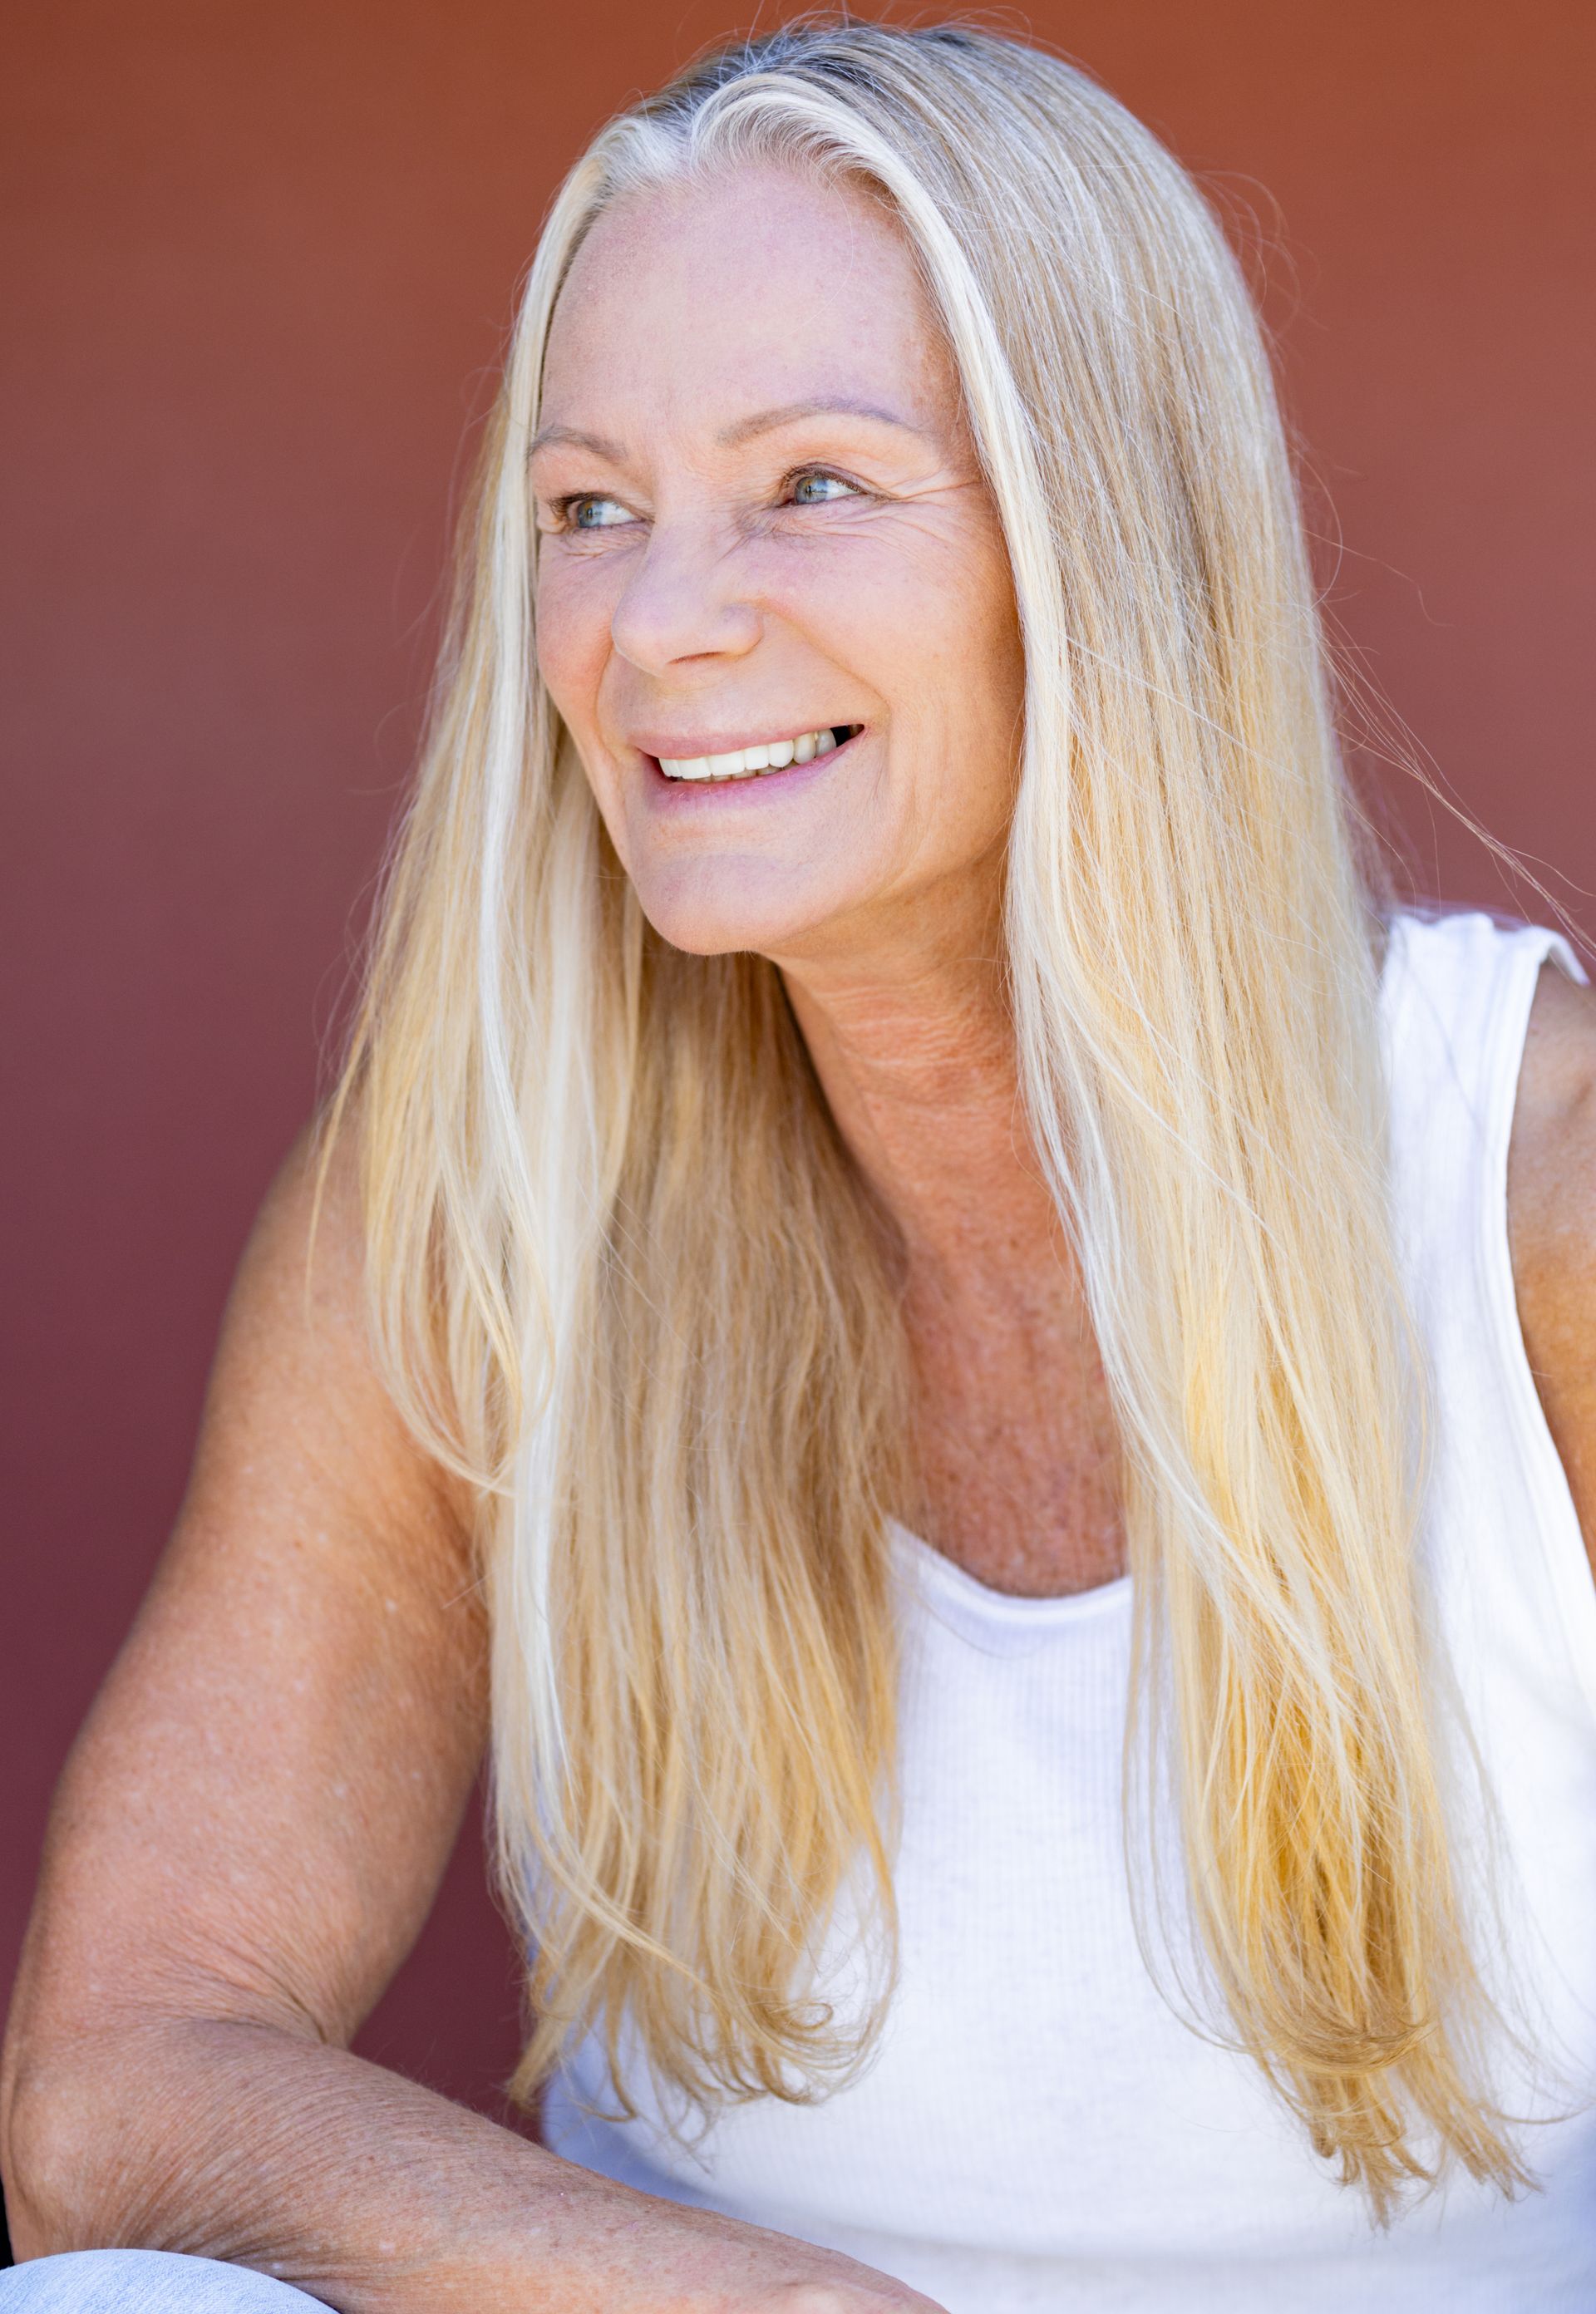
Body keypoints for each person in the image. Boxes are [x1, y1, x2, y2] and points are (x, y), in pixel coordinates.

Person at [3, 18, 1594, 2312]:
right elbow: (114, 2084)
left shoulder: (1529, 1200)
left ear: (1102, 543)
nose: (659, 628)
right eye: (588, 509)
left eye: (815, 485)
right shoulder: (477, 1217)